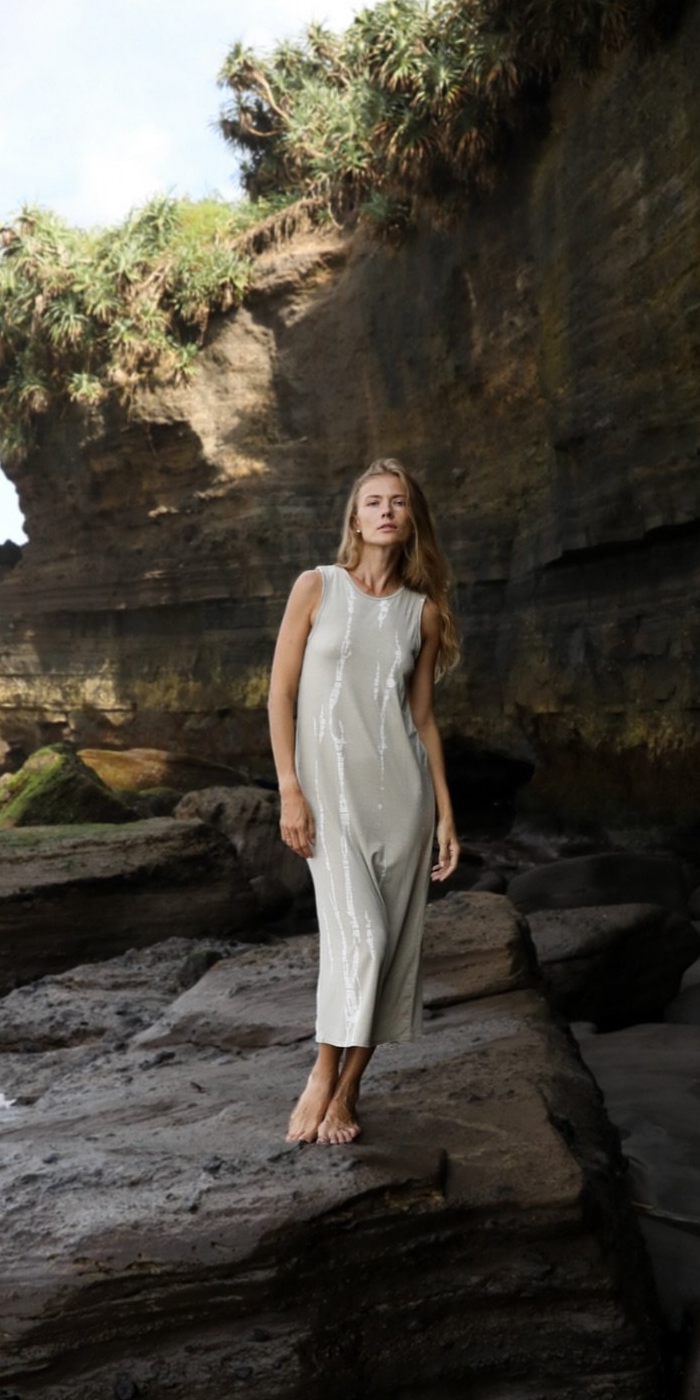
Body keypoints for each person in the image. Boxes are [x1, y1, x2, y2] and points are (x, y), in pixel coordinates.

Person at [267, 457, 462, 1145]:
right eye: (373, 501)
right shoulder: (315, 587)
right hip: (329, 795)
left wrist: (445, 812)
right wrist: (289, 788)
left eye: (399, 502)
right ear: (355, 517)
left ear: (412, 520)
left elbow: (425, 719)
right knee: (363, 938)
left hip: (402, 798)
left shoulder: (423, 613)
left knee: (394, 948)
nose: (385, 511)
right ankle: (321, 1072)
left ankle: (349, 1091)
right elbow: (281, 694)